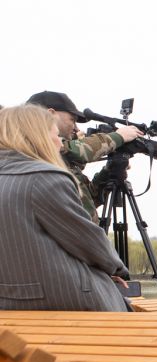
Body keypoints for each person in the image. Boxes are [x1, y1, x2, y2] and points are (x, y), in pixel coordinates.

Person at [0, 105, 130, 311]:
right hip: (63, 300)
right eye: (56, 135)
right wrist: (118, 269)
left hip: (8, 301)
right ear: (39, 138)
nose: (61, 143)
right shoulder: (45, 178)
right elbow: (87, 240)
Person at [27, 91, 143, 224]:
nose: (76, 128)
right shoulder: (34, 146)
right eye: (72, 120)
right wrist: (119, 137)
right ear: (50, 114)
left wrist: (109, 172)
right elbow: (77, 150)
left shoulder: (60, 160)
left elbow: (85, 202)